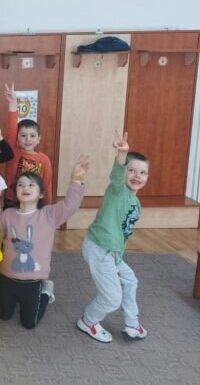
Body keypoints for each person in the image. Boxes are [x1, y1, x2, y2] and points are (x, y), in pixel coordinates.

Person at [0, 156, 88, 329]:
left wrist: (76, 179)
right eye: (21, 185)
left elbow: (70, 205)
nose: (25, 188)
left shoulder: (48, 215)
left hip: (33, 281)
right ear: (15, 191)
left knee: (29, 323)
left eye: (31, 185)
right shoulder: (7, 215)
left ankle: (46, 291)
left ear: (41, 194)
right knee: (3, 315)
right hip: (7, 277)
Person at [77, 132, 149, 343]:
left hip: (113, 252)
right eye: (131, 170)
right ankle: (88, 321)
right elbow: (116, 174)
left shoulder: (135, 203)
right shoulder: (118, 190)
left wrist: (117, 261)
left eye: (143, 172)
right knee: (111, 298)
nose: (137, 175)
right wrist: (122, 153)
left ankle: (132, 323)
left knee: (130, 280)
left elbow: (123, 234)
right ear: (124, 172)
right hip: (99, 248)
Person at [3, 83, 53, 207]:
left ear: (38, 139)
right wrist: (13, 103)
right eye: (23, 135)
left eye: (32, 136)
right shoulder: (12, 151)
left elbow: (46, 184)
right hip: (12, 200)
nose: (28, 139)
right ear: (17, 138)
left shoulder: (44, 159)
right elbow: (11, 129)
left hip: (35, 202)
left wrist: (47, 206)